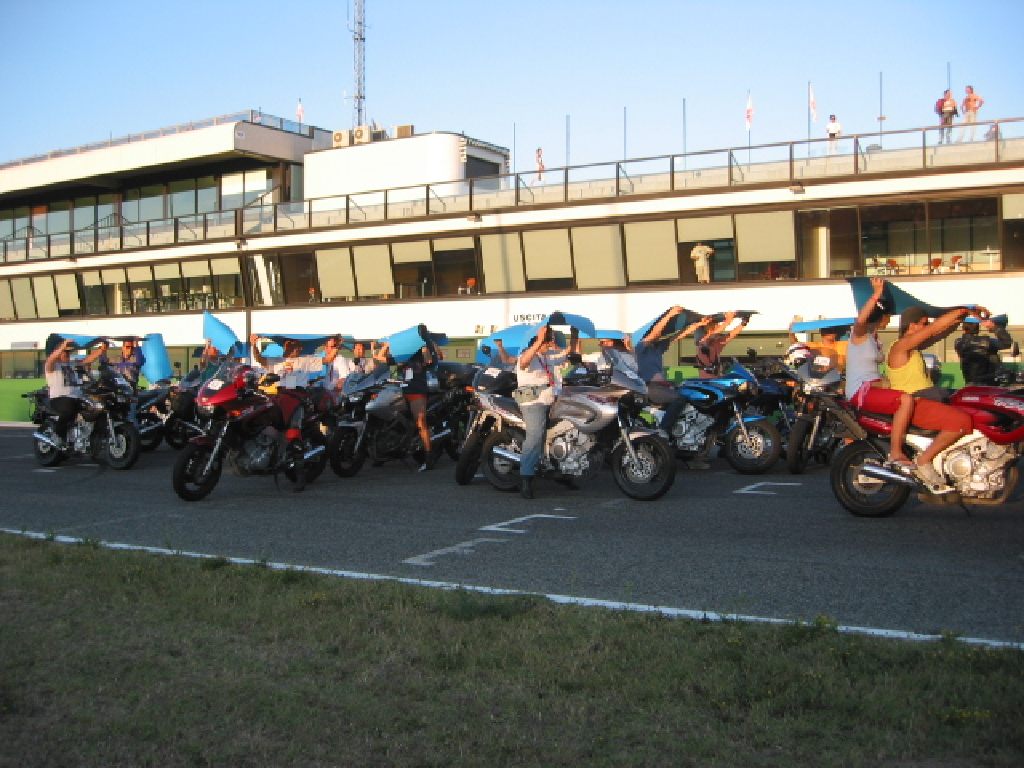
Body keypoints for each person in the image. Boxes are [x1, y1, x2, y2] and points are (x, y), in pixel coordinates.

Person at [886, 304, 983, 492]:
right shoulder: (900, 346)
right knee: (961, 422)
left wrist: (960, 319)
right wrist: (963, 310)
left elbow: (940, 333)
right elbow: (934, 329)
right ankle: (924, 461)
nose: (926, 326)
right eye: (923, 323)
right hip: (916, 402)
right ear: (912, 325)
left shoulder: (913, 347)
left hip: (927, 398)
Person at [844, 278, 915, 468]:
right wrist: (876, 294)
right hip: (861, 390)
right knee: (905, 400)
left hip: (873, 387)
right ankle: (896, 452)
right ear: (881, 316)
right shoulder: (859, 335)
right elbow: (861, 319)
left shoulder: (874, 338)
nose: (890, 319)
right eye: (888, 316)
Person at [515, 324, 580, 498]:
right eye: (548, 341)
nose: (551, 344)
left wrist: (574, 335)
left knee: (566, 430)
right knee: (535, 436)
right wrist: (539, 340)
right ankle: (526, 478)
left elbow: (566, 354)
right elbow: (523, 363)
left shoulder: (546, 357)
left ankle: (561, 468)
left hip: (551, 401)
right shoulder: (527, 356)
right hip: (533, 403)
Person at [43, 337, 107, 449]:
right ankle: (57, 435)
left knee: (99, 409)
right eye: (65, 352)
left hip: (77, 398)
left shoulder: (73, 364)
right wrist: (62, 346)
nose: (67, 354)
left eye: (69, 352)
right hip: (59, 398)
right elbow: (51, 358)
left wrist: (102, 349)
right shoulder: (52, 366)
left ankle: (95, 440)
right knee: (69, 408)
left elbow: (89, 359)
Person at [250, 334, 324, 388]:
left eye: (299, 345)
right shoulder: (276, 360)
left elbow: (327, 360)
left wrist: (330, 345)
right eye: (294, 344)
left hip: (299, 393)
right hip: (282, 393)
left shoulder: (306, 359)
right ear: (285, 345)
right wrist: (255, 345)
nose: (299, 348)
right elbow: (260, 359)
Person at [954, 316, 1012, 385]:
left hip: (970, 383)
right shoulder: (986, 342)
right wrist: (995, 327)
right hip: (987, 383)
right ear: (978, 329)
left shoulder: (958, 343)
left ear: (963, 328)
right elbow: (1007, 343)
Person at [695, 311, 749, 379]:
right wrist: (728, 320)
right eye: (716, 325)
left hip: (717, 378)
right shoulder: (702, 342)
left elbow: (730, 335)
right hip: (708, 380)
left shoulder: (716, 343)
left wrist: (743, 324)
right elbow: (714, 334)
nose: (718, 326)